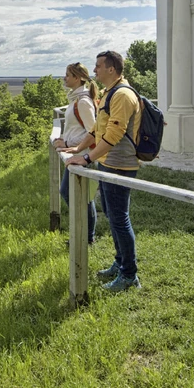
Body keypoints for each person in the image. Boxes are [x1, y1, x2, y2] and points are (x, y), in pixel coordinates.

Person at [65, 50, 141, 292]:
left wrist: (86, 158)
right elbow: (97, 129)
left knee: (120, 219)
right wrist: (78, 148)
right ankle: (120, 263)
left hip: (120, 164)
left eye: (98, 66)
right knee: (112, 214)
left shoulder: (123, 95)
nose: (94, 71)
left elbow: (114, 134)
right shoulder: (110, 92)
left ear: (111, 69)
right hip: (108, 162)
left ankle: (129, 275)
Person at [52, 63, 99, 244]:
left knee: (80, 196)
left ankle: (86, 237)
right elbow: (75, 128)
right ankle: (83, 235)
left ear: (78, 78)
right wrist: (64, 141)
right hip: (74, 155)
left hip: (83, 156)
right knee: (77, 195)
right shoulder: (76, 99)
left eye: (68, 75)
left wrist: (73, 146)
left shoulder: (84, 102)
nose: (64, 78)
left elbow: (92, 131)